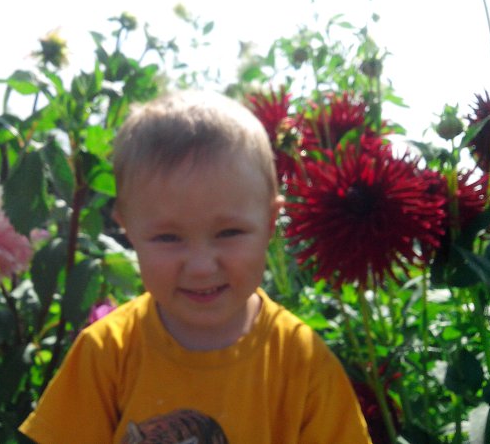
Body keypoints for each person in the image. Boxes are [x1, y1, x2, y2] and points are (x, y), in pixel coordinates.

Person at [19, 90, 372, 443]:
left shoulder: (302, 362)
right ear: (127, 229)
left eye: (229, 233)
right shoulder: (106, 352)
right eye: (168, 238)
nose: (201, 267)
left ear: (269, 223)